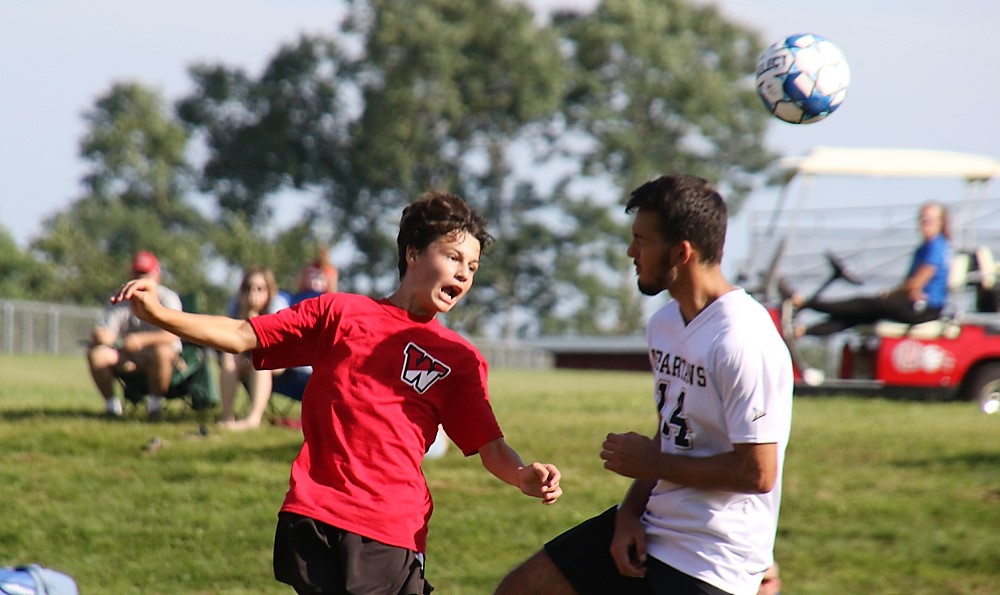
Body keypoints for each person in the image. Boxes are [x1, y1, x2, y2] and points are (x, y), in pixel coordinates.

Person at [110, 191, 562, 594]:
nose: (464, 274)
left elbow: (491, 446)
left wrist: (523, 476)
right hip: (318, 520)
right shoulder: (340, 313)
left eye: (473, 267)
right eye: (455, 258)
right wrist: (159, 315)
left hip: (389, 531)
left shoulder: (458, 358)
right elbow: (242, 335)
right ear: (413, 254)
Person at [494, 174, 794, 595]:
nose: (631, 251)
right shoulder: (665, 324)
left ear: (681, 251)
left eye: (642, 240)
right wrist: (629, 514)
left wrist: (652, 463)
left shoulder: (743, 340)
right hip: (653, 527)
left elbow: (757, 473)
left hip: (713, 560)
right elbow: (673, 437)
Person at [782, 201, 952, 336]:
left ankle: (803, 302)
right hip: (914, 303)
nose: (924, 223)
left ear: (941, 222)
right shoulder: (926, 247)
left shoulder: (936, 246)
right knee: (858, 315)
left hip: (924, 308)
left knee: (863, 303)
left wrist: (891, 294)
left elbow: (915, 284)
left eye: (930, 219)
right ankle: (803, 331)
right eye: (922, 219)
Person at [87, 250, 183, 421]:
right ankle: (112, 408)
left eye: (145, 273)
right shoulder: (121, 298)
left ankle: (154, 408)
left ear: (157, 276)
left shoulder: (168, 298)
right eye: (137, 272)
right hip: (129, 357)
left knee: (161, 351)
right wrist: (103, 337)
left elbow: (174, 334)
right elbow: (108, 331)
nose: (140, 277)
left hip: (162, 358)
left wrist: (141, 341)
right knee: (97, 354)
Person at [217, 265, 291, 430]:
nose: (253, 293)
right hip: (244, 359)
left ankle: (253, 419)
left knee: (262, 363)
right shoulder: (236, 305)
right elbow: (231, 338)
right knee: (229, 358)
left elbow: (276, 346)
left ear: (269, 291)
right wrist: (246, 312)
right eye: (248, 288)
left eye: (259, 289)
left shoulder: (278, 307)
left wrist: (254, 315)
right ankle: (227, 416)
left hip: (278, 358)